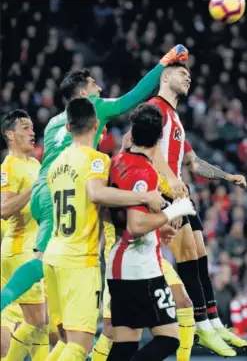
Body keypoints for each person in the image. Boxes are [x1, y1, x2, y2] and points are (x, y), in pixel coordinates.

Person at [0, 44, 189, 314]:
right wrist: (165, 62)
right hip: (65, 187)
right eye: (94, 85)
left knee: (62, 254)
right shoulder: (93, 107)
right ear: (81, 94)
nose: (99, 90)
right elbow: (132, 98)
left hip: (43, 189)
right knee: (48, 259)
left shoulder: (54, 121)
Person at [43, 98, 165, 361]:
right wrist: (144, 198)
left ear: (67, 126)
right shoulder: (96, 160)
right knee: (79, 346)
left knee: (65, 343)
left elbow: (89, 205)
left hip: (53, 256)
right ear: (96, 124)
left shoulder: (55, 165)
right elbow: (96, 194)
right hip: (79, 260)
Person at [149, 61, 246, 353]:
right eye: (182, 73)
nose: (188, 77)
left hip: (180, 195)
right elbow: (150, 150)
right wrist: (170, 182)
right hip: (164, 193)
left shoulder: (175, 119)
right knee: (189, 253)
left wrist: (229, 176)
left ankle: (214, 323)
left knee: (200, 255)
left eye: (189, 73)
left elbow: (194, 163)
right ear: (165, 77)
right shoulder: (155, 109)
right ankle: (201, 326)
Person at [106, 103, 196, 361]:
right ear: (159, 137)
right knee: (169, 339)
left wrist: (159, 227)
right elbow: (135, 225)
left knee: (125, 345)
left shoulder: (119, 160)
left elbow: (128, 215)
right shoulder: (145, 171)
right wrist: (173, 211)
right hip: (139, 266)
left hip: (120, 262)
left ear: (131, 133)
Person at [0, 110, 49, 361]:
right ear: (10, 134)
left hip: (35, 253)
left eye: (32, 127)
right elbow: (4, 209)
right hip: (19, 251)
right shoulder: (9, 166)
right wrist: (34, 188)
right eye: (25, 128)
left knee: (40, 323)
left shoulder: (35, 164)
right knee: (38, 321)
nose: (32, 132)